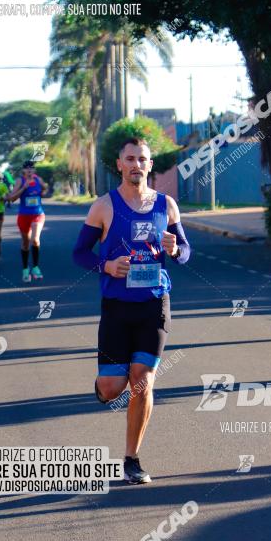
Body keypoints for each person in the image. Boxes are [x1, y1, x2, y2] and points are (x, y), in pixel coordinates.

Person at [72, 137, 191, 484]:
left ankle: (132, 459)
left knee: (142, 381)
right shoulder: (103, 207)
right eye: (130, 159)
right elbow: (80, 253)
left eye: (142, 159)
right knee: (114, 387)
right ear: (119, 165)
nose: (136, 165)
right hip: (116, 307)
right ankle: (102, 386)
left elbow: (185, 252)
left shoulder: (166, 206)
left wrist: (176, 248)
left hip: (154, 303)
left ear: (150, 165)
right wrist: (106, 266)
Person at [7, 160, 48, 282]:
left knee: (35, 239)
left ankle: (35, 267)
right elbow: (12, 198)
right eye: (27, 168)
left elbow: (43, 191)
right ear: (23, 170)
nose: (30, 170)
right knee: (25, 243)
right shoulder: (20, 181)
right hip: (24, 216)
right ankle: (25, 268)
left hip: (38, 214)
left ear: (34, 170)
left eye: (32, 168)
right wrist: (23, 188)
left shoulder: (38, 180)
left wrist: (43, 190)